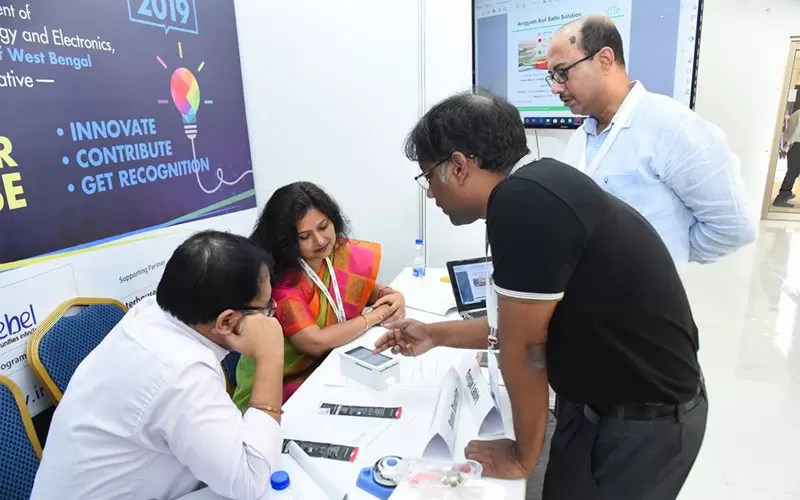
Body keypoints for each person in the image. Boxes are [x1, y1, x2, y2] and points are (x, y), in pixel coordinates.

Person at [374, 91, 708, 500]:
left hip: (639, 425)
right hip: (599, 403)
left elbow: (525, 350)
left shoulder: (522, 204)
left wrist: (522, 456)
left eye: (429, 177)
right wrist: (433, 333)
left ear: (458, 166)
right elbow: (516, 326)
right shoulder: (539, 183)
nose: (430, 194)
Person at [30, 231, 285, 500]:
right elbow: (250, 481)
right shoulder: (181, 374)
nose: (271, 313)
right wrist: (270, 356)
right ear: (225, 321)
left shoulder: (157, 312)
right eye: (265, 307)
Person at [549, 15, 755, 264]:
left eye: (562, 72)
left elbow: (733, 226)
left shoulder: (674, 128)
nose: (556, 88)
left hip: (644, 297)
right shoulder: (580, 139)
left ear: (604, 60)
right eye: (552, 77)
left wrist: (661, 260)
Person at [233, 181, 405, 407]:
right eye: (304, 237)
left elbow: (365, 288)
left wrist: (392, 295)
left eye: (323, 226)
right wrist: (375, 316)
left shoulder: (334, 254)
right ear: (286, 241)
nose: (320, 241)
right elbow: (314, 341)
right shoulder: (280, 283)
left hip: (326, 367)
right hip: (280, 385)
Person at [773, 106, 800, 207]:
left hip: (795, 147)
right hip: (798, 146)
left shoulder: (797, 112)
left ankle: (785, 194)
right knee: (792, 173)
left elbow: (790, 132)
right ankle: (782, 196)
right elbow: (797, 133)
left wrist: (786, 147)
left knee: (792, 173)